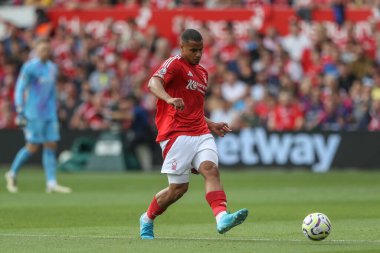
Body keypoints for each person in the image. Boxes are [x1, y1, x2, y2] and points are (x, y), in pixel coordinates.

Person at [139, 29, 248, 239]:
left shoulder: (203, 73)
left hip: (200, 132)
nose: (198, 54)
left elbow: (194, 110)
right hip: (176, 134)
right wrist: (169, 98)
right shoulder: (174, 64)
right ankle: (147, 218)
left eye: (200, 50)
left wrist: (212, 124)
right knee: (178, 190)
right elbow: (153, 82)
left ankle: (222, 217)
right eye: (193, 50)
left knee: (211, 169)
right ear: (182, 48)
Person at [5, 38, 72, 194]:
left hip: (49, 113)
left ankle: (51, 182)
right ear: (36, 51)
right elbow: (20, 88)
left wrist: (57, 107)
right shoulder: (29, 68)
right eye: (42, 50)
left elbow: (51, 91)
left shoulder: (52, 68)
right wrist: (20, 108)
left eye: (47, 50)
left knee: (51, 145)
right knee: (33, 146)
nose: (45, 52)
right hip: (33, 112)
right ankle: (12, 172)